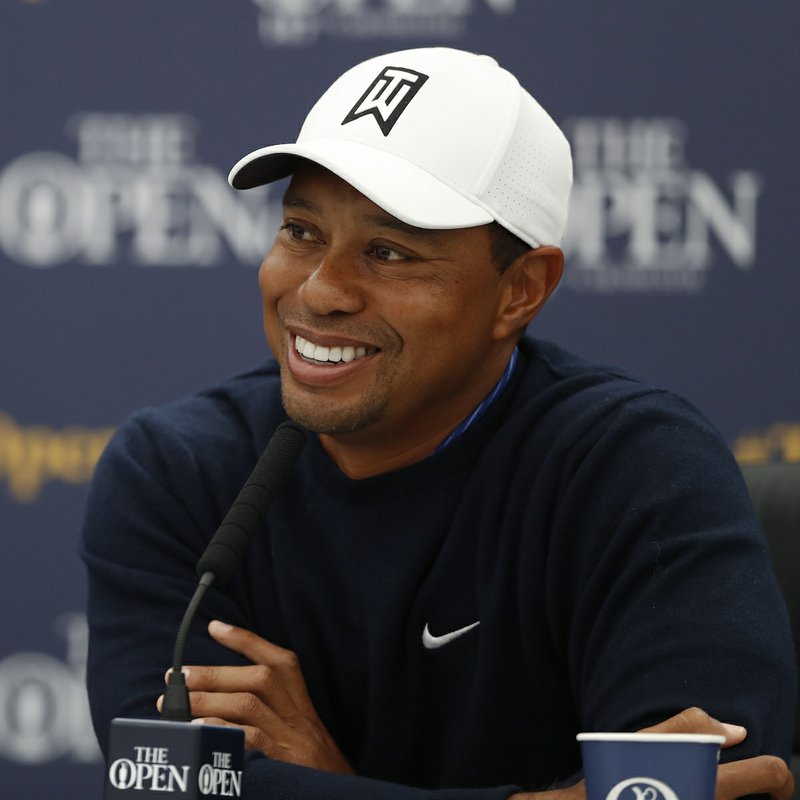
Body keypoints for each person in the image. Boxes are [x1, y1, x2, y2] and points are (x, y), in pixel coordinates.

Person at [81, 47, 795, 799]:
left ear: (521, 290)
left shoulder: (641, 470)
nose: (319, 292)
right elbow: (161, 786)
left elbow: (727, 789)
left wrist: (323, 783)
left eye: (388, 251)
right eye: (300, 231)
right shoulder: (179, 468)